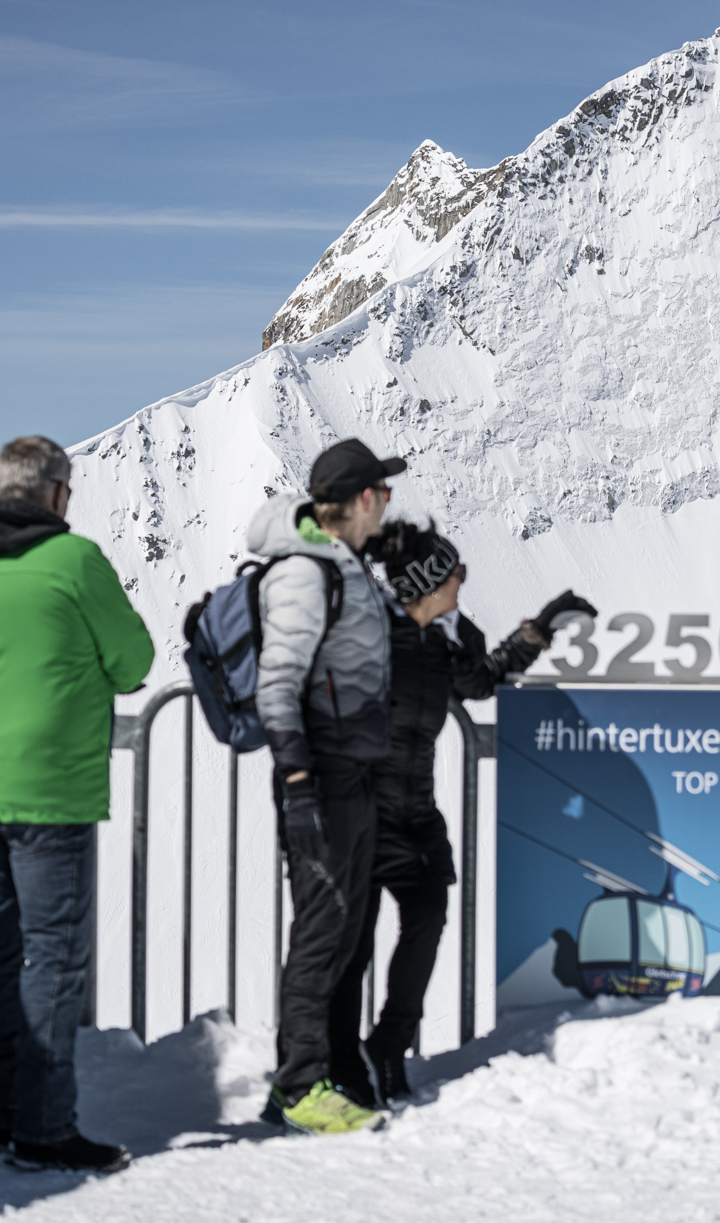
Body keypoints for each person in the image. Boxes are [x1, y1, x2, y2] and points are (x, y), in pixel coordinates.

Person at [0, 436, 153, 1174]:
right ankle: (44, 1129)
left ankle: (1, 1116)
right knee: (52, 958)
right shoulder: (74, 562)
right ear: (56, 492)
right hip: (51, 789)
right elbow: (134, 662)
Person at [326, 521, 594, 1105]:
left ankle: (388, 1046)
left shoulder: (448, 636)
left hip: (414, 815)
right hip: (359, 812)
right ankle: (341, 1065)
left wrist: (536, 631)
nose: (464, 580)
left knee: (427, 919)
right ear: (429, 583)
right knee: (352, 947)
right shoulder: (372, 634)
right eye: (455, 573)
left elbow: (478, 681)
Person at [252, 438, 401, 1135]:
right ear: (365, 498)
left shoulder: (343, 566)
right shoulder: (305, 575)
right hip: (324, 780)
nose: (389, 507)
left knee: (340, 932)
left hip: (353, 777)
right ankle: (299, 1088)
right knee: (320, 933)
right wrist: (300, 781)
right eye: (385, 494)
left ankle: (304, 1077)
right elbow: (276, 685)